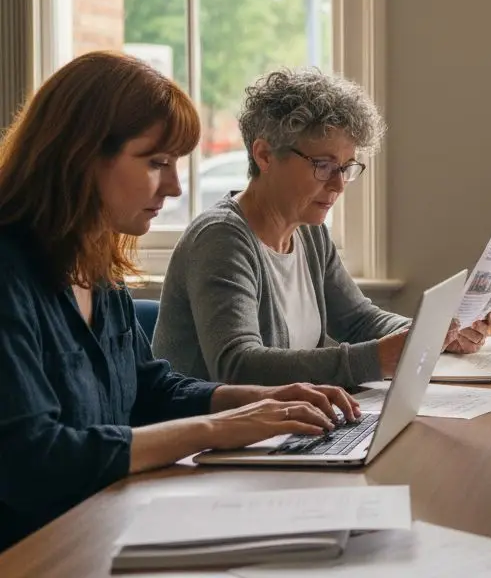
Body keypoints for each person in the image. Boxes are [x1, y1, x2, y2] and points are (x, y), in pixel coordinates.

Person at [0, 52, 356, 552]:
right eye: (156, 163)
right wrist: (214, 427)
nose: (173, 187)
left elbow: (146, 389)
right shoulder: (9, 274)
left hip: (106, 525)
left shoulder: (95, 265)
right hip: (37, 551)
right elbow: (33, 461)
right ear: (80, 156)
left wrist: (255, 399)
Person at [154, 69, 491, 389]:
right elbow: (238, 367)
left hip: (278, 433)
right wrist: (377, 359)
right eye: (323, 165)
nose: (338, 185)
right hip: (210, 446)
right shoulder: (221, 238)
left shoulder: (308, 230)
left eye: (346, 167)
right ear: (264, 155)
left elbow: (358, 320)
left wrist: (435, 334)